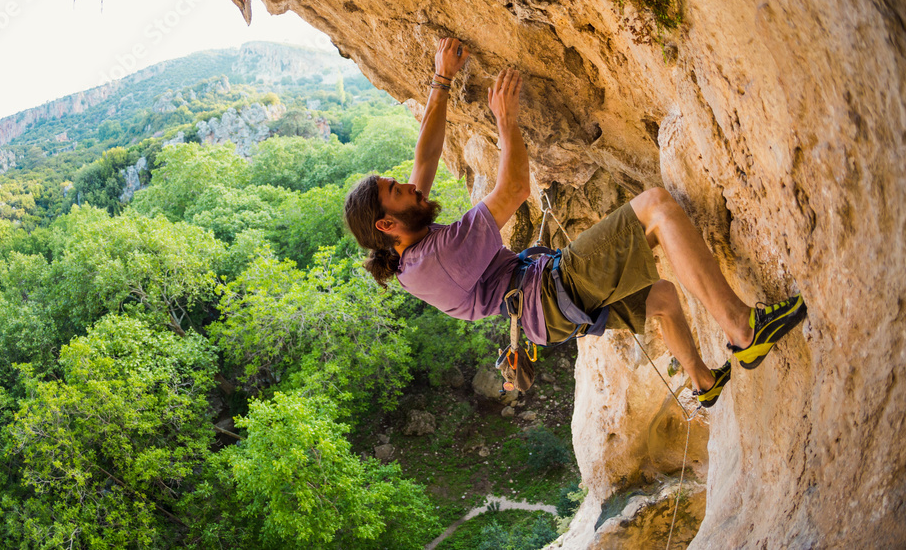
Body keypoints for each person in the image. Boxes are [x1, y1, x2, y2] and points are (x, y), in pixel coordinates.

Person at [343, 37, 807, 407]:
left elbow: (425, 157)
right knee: (657, 206)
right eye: (396, 191)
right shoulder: (439, 257)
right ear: (386, 224)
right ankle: (743, 329)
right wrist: (506, 124)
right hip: (546, 291)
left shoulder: (406, 247)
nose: (408, 187)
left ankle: (703, 383)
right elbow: (513, 191)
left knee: (663, 298)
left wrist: (441, 78)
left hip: (545, 311)